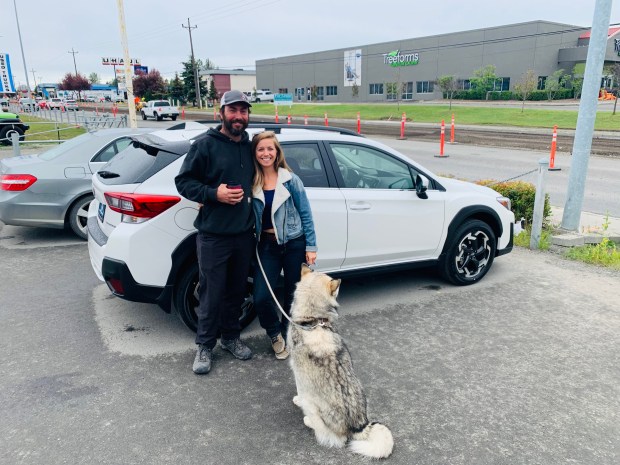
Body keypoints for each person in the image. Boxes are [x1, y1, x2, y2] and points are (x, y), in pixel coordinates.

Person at [175, 90, 255, 375]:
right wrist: (213, 194)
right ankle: (205, 346)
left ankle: (231, 338)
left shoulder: (250, 147)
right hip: (213, 236)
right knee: (211, 293)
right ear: (221, 113)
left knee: (236, 291)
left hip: (244, 235)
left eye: (243, 111)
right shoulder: (204, 145)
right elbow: (183, 182)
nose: (238, 116)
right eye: (233, 110)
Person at [251, 131, 317, 360]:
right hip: (266, 246)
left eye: (270, 148)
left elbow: (306, 214)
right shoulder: (251, 182)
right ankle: (274, 334)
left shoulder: (291, 180)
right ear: (255, 153)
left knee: (291, 294)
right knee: (261, 296)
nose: (266, 153)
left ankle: (287, 332)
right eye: (261, 149)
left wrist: (311, 247)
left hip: (294, 243)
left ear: (277, 152)